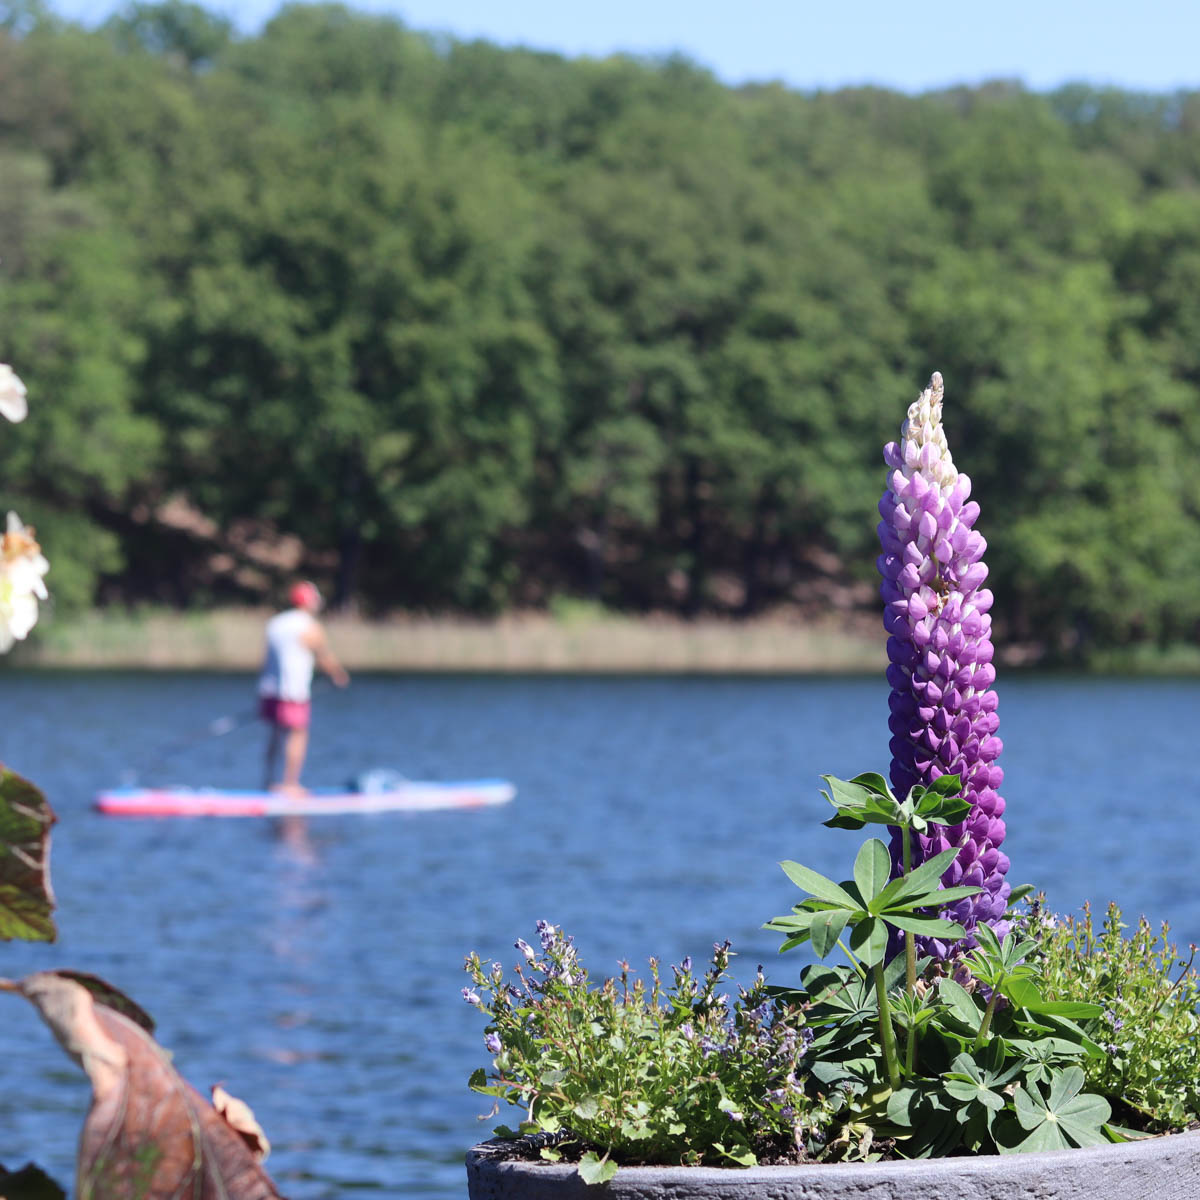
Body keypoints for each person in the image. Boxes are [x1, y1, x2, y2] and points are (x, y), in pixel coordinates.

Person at [258, 581, 349, 794]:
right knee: (298, 734)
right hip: (293, 691)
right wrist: (338, 675)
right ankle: (290, 785)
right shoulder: (308, 625)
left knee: (276, 733)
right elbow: (323, 655)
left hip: (269, 689)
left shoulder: (275, 623)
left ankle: (269, 781)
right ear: (308, 602)